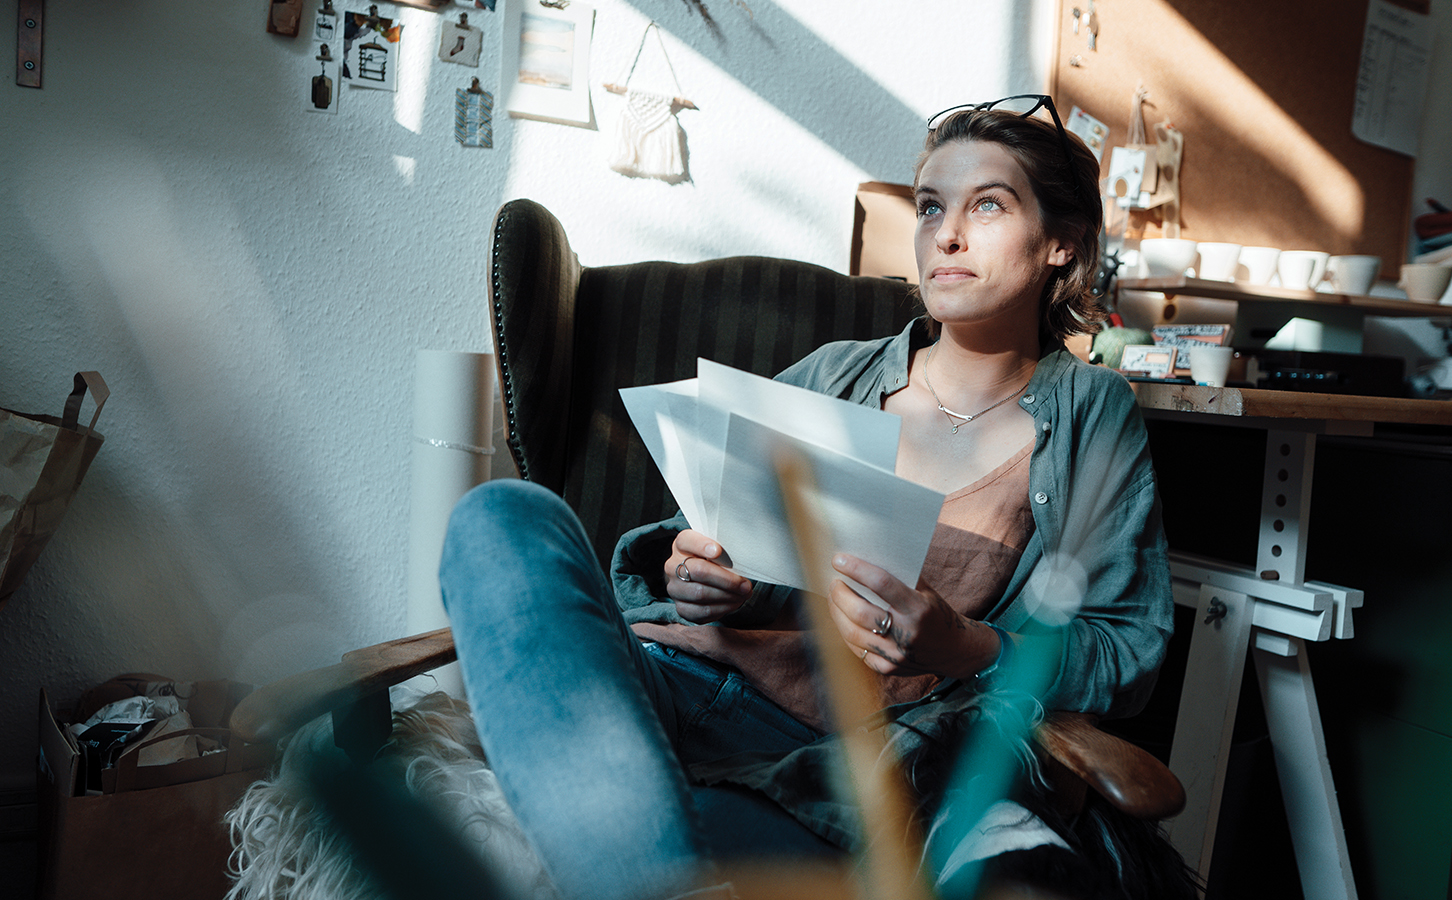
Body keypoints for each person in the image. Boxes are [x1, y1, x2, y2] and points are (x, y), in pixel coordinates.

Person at [440, 98, 1175, 900]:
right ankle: (640, 855)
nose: (946, 234)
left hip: (846, 772)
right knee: (503, 515)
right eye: (931, 207)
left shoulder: (1090, 412)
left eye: (987, 205)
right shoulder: (835, 372)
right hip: (671, 692)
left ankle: (635, 862)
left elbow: (1126, 650)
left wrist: (965, 646)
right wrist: (695, 576)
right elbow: (697, 542)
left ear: (1062, 242)